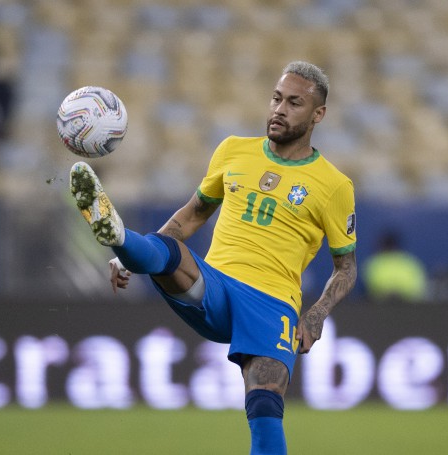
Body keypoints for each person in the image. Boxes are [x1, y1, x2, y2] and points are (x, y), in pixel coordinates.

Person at [69, 61, 357, 455]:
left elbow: (347, 266)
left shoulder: (334, 185)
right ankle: (121, 240)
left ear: (317, 114)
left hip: (273, 305)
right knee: (169, 252)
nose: (279, 109)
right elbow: (192, 215)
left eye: (294, 103)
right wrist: (130, 259)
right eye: (276, 98)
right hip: (215, 285)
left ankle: (130, 244)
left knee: (265, 407)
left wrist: (316, 314)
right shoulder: (233, 150)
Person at [362, 229, 427, 302]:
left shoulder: (373, 262)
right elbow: (418, 287)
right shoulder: (411, 262)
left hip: (404, 305)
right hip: (386, 305)